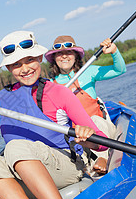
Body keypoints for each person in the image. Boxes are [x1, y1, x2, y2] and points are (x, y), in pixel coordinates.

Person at [0, 30, 108, 199]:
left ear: (39, 57)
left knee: (15, 146)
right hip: (26, 173)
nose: (24, 69)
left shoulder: (59, 93)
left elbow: (102, 143)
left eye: (29, 60)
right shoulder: (1, 99)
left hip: (66, 167)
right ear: (9, 68)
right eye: (16, 64)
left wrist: (87, 137)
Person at [44, 35, 126, 175]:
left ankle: (102, 158)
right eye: (59, 54)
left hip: (100, 131)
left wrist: (114, 51)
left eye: (69, 52)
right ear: (54, 58)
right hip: (77, 138)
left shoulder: (88, 72)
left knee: (94, 122)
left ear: (75, 56)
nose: (64, 57)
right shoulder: (50, 85)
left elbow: (119, 70)